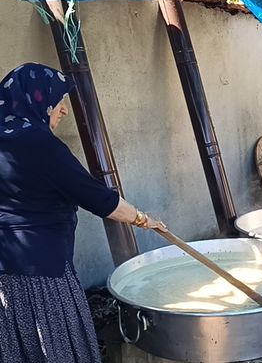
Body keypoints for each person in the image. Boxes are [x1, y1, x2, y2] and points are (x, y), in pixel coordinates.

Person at [0, 63, 167, 362]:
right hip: (41, 275)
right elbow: (99, 199)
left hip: (5, 274)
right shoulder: (39, 145)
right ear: (35, 99)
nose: (63, 110)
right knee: (55, 348)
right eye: (58, 100)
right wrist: (145, 220)